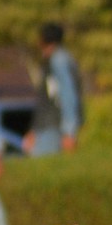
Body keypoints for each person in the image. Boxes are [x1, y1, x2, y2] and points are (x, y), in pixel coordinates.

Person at [28, 22, 83, 155]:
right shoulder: (55, 60)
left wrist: (69, 131)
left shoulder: (59, 61)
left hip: (54, 125)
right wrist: (34, 130)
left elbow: (67, 94)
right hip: (48, 126)